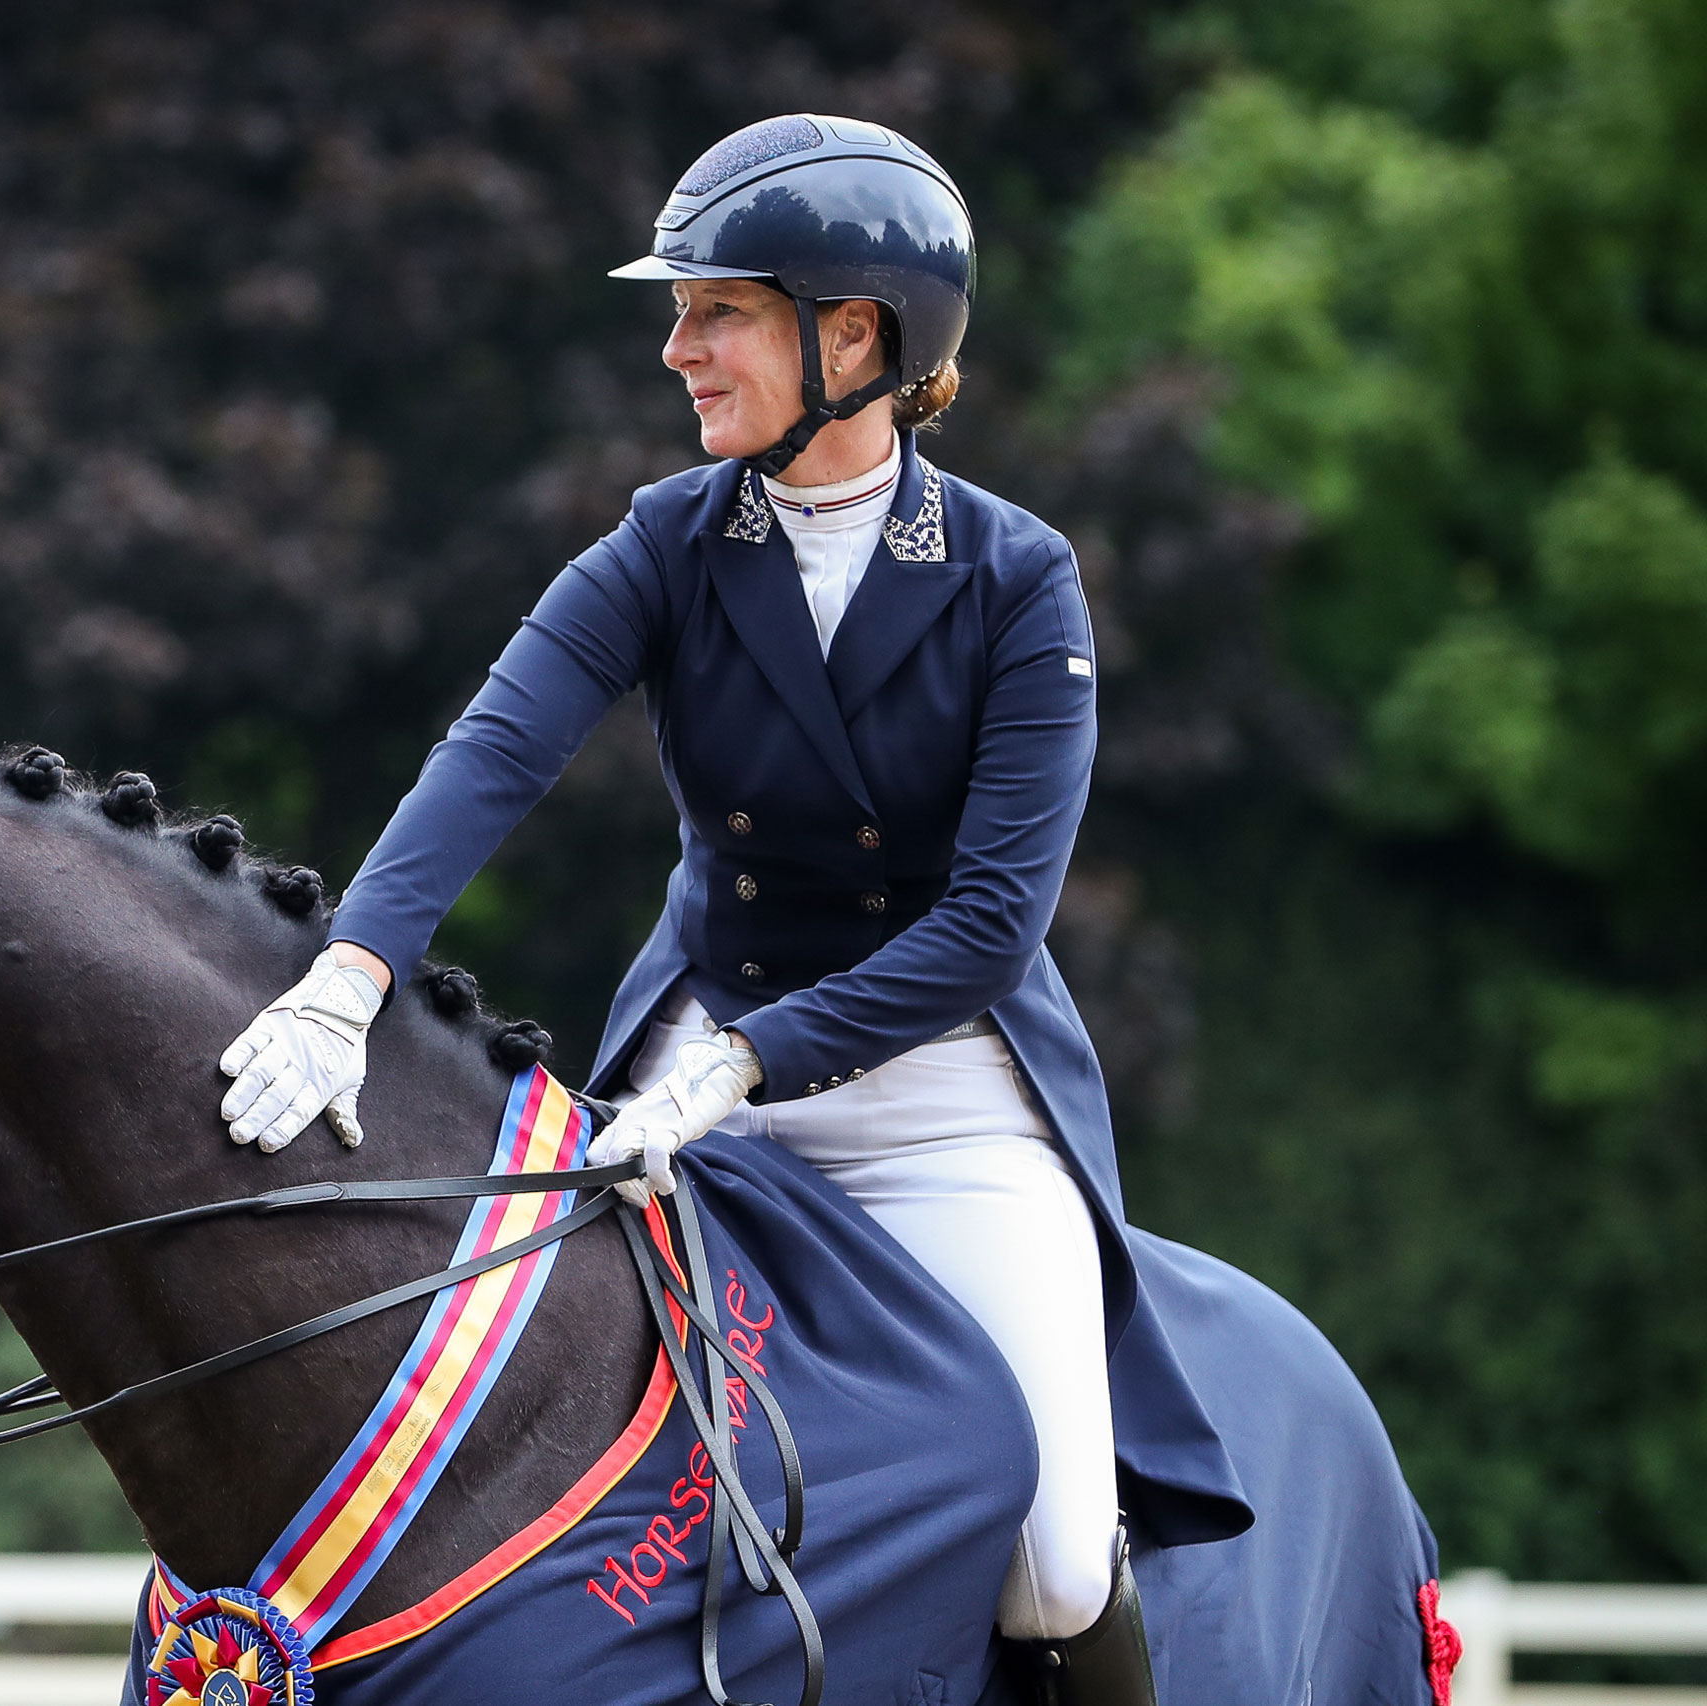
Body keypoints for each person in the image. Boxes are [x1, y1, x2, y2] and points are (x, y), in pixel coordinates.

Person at [214, 115, 1198, 1706]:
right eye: (679, 314)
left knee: (1060, 1555)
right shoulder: (669, 539)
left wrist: (748, 1063)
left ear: (855, 333)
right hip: (685, 1071)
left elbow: (988, 928)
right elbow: (494, 752)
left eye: (714, 310)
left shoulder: (1019, 579)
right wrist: (347, 976)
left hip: (937, 1090)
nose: (676, 350)